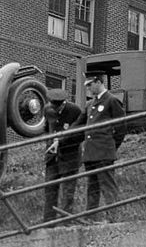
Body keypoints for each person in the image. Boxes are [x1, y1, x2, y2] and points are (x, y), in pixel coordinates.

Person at [77, 74, 126, 219]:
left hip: (104, 151)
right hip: (91, 152)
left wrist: (111, 146)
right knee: (92, 187)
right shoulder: (90, 104)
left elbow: (121, 127)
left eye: (90, 84)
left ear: (99, 82)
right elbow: (79, 125)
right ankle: (90, 217)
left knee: (108, 185)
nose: (88, 88)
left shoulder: (111, 101)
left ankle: (113, 217)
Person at [42, 88, 82, 223]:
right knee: (50, 189)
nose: (55, 110)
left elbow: (80, 134)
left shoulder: (75, 111)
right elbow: (47, 129)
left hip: (70, 156)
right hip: (52, 158)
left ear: (63, 103)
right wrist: (50, 143)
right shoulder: (47, 110)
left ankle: (66, 220)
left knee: (68, 191)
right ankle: (48, 221)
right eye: (53, 106)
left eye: (58, 107)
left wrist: (61, 141)